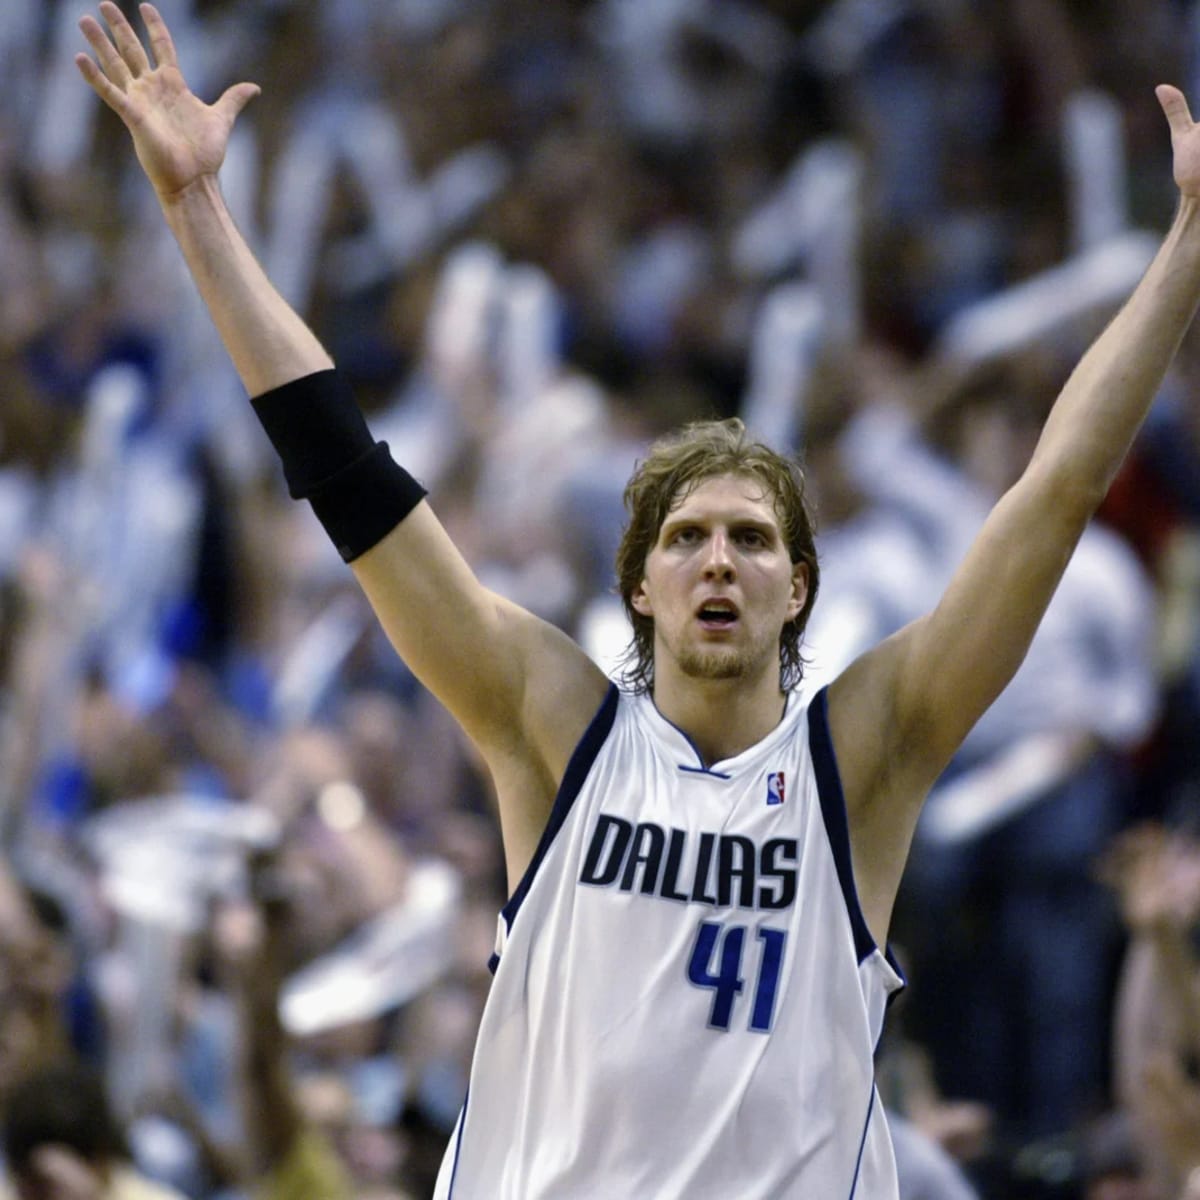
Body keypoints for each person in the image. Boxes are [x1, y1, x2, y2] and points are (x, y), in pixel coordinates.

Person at [73, 3, 1200, 1195]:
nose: (720, 560)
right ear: (640, 587)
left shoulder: (868, 753)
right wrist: (196, 211)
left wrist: (1187, 242)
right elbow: (350, 480)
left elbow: (1055, 493)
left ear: (799, 587)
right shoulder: (551, 721)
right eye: (689, 538)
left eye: (753, 540)